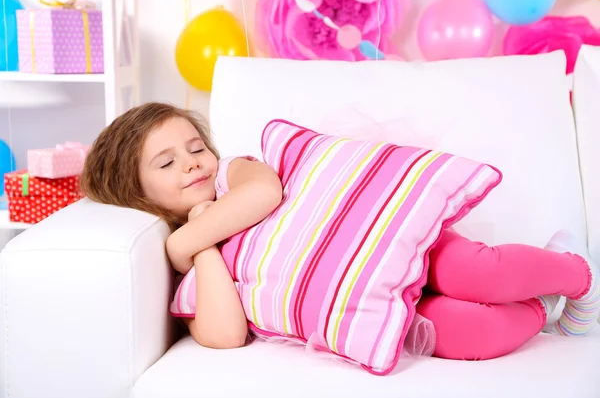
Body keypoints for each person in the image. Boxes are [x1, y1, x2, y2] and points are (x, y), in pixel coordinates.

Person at [81, 102, 600, 359]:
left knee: (477, 271)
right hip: (373, 302)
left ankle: (576, 277)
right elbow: (226, 334)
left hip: (396, 244)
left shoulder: (233, 174)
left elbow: (265, 195)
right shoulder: (199, 268)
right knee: (477, 334)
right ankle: (544, 311)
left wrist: (186, 239)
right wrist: (203, 246)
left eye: (196, 147)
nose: (192, 164)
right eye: (167, 163)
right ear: (137, 193)